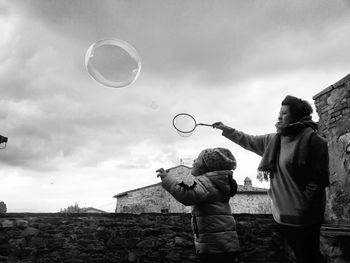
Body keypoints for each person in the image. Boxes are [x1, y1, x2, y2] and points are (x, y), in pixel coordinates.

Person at [213, 95, 329, 263]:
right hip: (281, 215)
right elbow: (248, 140)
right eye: (279, 113)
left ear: (297, 116)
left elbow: (318, 181)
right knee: (298, 256)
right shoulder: (274, 140)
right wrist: (226, 129)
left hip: (305, 218)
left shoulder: (315, 141)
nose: (279, 117)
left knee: (309, 257)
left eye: (284, 113)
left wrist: (304, 208)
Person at [156, 147, 240, 263]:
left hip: (213, 245)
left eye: (197, 160)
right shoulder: (220, 183)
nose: (194, 161)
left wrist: (166, 179)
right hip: (227, 243)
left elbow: (187, 196)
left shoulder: (206, 182)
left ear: (205, 166)